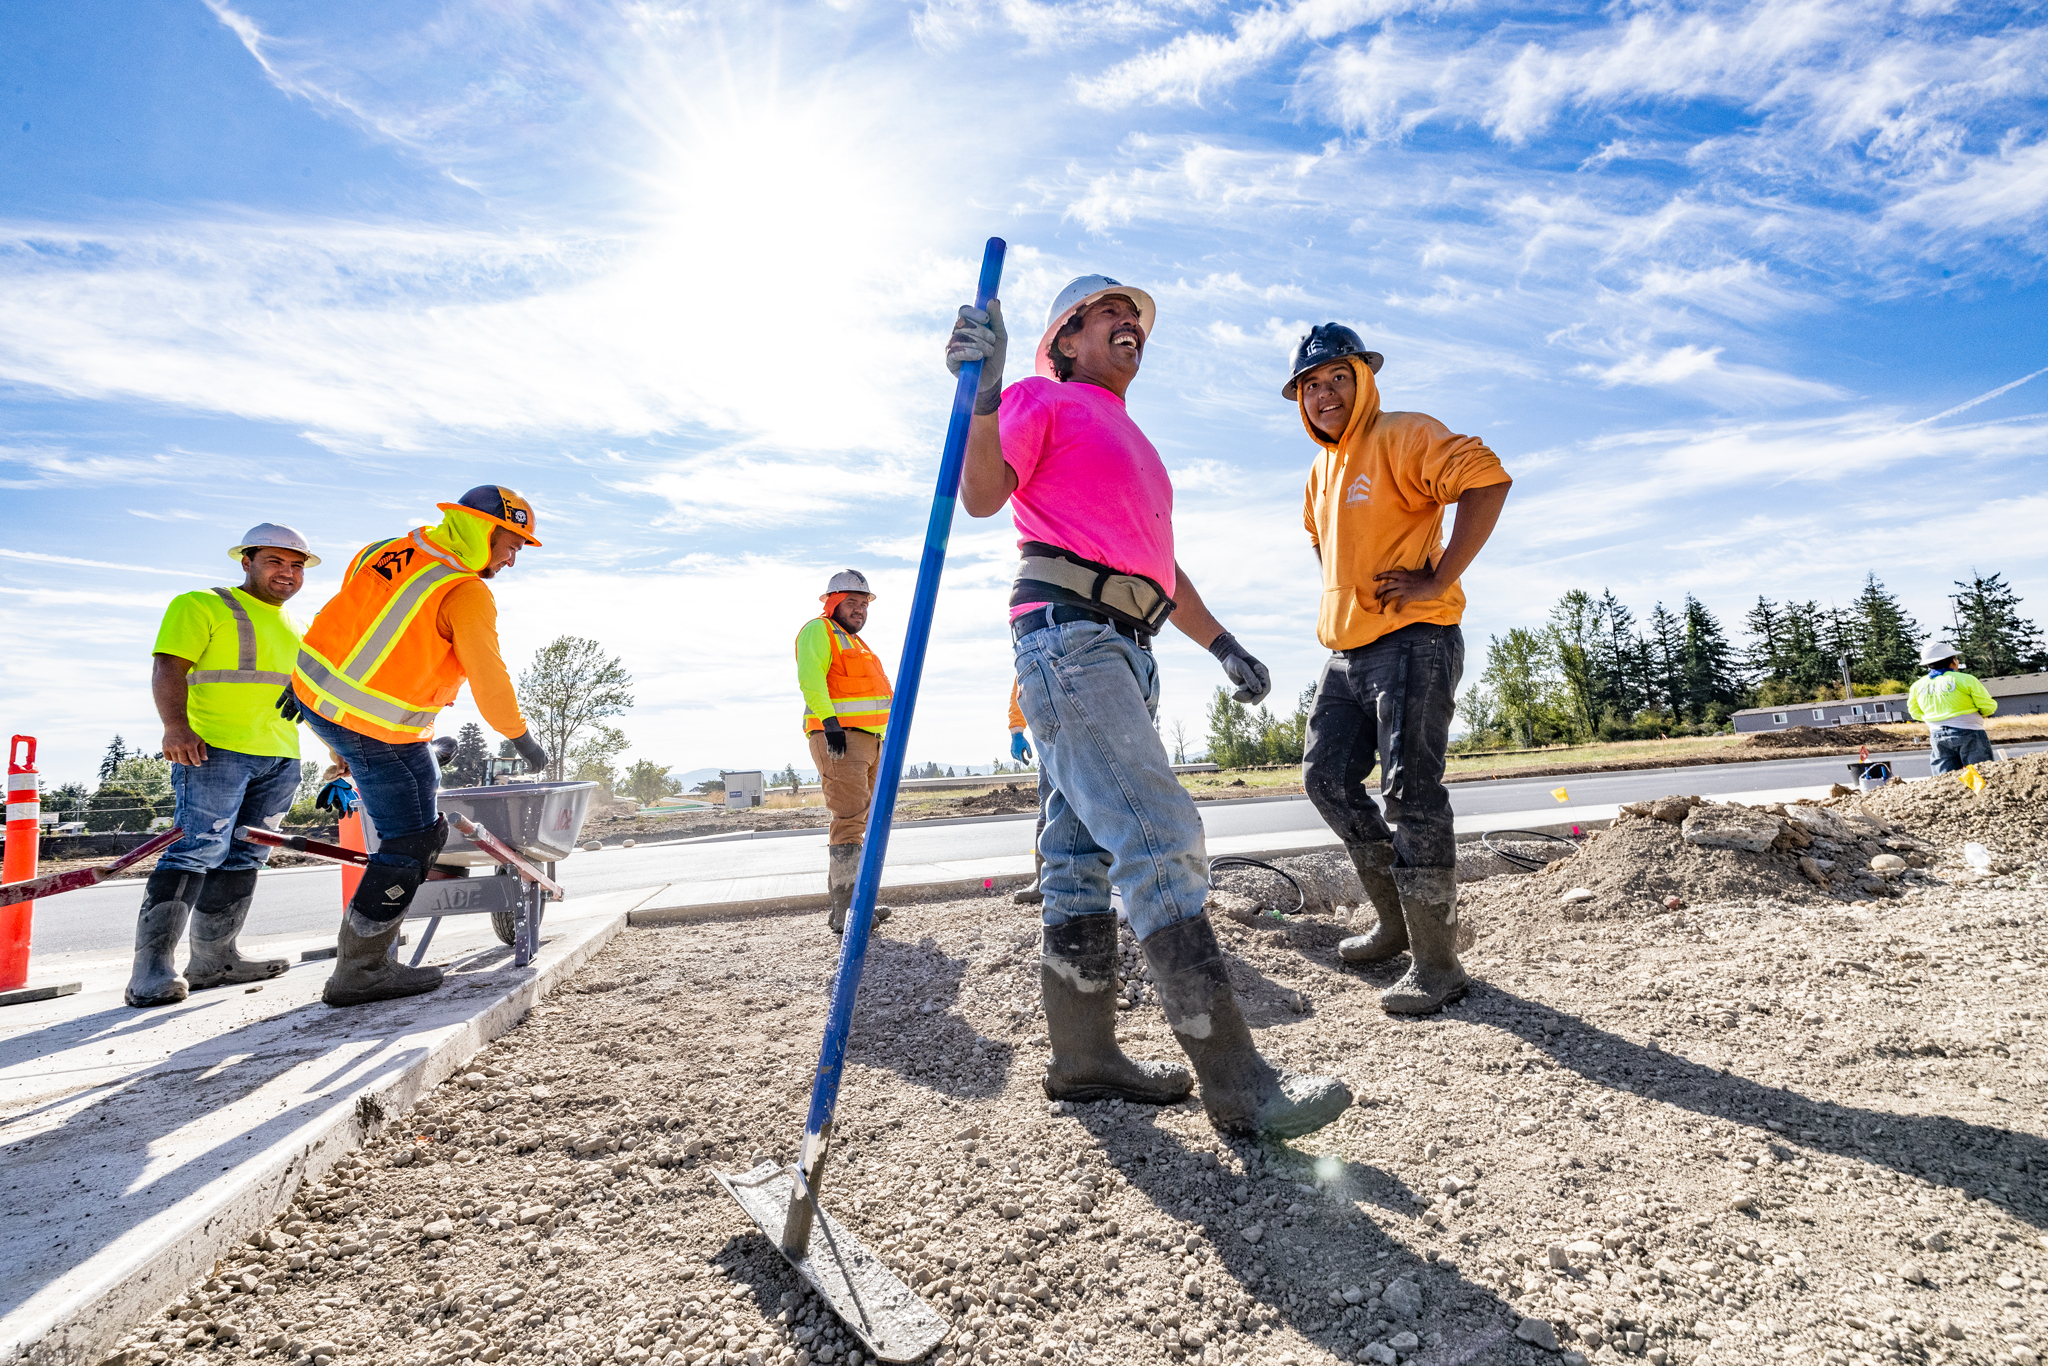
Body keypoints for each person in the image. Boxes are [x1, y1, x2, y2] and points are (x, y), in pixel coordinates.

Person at [947, 275, 1351, 1139]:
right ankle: (1240, 1087)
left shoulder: (1127, 434)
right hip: (1072, 639)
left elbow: (1157, 570)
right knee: (1159, 835)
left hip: (1123, 645)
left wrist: (1223, 644)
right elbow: (981, 494)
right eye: (1111, 316)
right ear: (1064, 340)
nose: (1133, 326)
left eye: (1137, 320)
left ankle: (1085, 1061)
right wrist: (983, 395)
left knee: (1078, 851)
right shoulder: (1038, 399)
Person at [1289, 323, 1512, 1016]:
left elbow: (1486, 480)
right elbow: (1328, 549)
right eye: (1311, 386)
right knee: (1325, 777)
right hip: (1347, 651)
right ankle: (1393, 924)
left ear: (1365, 379)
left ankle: (1438, 966)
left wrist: (1437, 577)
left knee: (1412, 796)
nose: (1324, 395)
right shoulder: (1319, 471)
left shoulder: (1405, 433)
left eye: (1337, 379)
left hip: (1415, 640)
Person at [286, 486, 548, 1006]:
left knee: (417, 806)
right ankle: (362, 969)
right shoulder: (465, 591)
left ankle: (369, 953)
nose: (512, 558)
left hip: (317, 697)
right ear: (480, 529)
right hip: (376, 726)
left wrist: (303, 684)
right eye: (510, 543)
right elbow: (488, 678)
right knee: (413, 839)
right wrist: (521, 737)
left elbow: (350, 617)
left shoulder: (387, 549)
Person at [126, 524, 317, 1007]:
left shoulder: (299, 626)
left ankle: (216, 960)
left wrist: (336, 750)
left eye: (296, 565)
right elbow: (168, 668)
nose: (287, 573)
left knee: (246, 856)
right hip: (212, 751)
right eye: (275, 561)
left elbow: (310, 696)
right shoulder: (201, 604)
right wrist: (175, 727)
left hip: (281, 757)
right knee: (194, 851)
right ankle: (150, 972)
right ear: (246, 561)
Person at [795, 569, 894, 933]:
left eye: (864, 604)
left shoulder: (858, 645)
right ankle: (846, 913)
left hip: (871, 741)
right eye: (851, 602)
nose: (859, 610)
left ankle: (858, 904)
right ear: (833, 603)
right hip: (840, 739)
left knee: (863, 822)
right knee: (850, 821)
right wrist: (829, 722)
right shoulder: (818, 631)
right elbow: (811, 678)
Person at [1909, 639, 1998, 773]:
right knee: (1980, 775)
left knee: (1945, 780)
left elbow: (1915, 712)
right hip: (1970, 731)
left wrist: (1936, 718)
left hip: (1937, 734)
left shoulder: (1918, 686)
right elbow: (1988, 707)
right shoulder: (1965, 679)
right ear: (1953, 660)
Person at [1007, 677, 1046, 906]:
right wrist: (1016, 730)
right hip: (1050, 739)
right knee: (1048, 807)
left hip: (1086, 734)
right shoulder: (1032, 643)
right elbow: (1021, 684)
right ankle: (1042, 881)